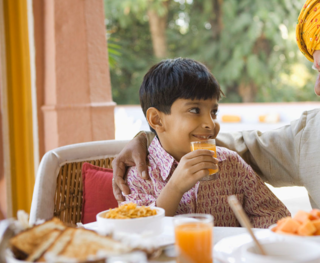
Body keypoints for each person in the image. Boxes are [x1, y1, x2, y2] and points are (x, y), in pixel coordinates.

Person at [112, 0, 320, 250]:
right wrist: (151, 137)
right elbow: (231, 149)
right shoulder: (313, 132)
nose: (319, 87)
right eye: (318, 70)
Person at [120, 58, 290, 228]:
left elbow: (274, 216)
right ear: (157, 119)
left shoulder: (231, 164)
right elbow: (139, 231)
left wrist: (241, 244)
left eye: (213, 112)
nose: (210, 123)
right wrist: (174, 188)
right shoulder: (139, 175)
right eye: (195, 110)